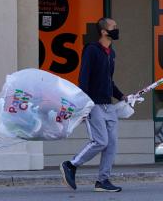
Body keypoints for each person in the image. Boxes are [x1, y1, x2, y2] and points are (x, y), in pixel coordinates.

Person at [59, 17, 133, 193]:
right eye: (114, 27)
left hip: (109, 106)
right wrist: (84, 105)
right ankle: (71, 164)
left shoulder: (111, 53)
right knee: (100, 141)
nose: (117, 29)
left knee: (112, 144)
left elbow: (109, 81)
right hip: (94, 105)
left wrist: (122, 96)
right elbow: (83, 78)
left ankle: (103, 181)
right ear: (103, 31)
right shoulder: (91, 50)